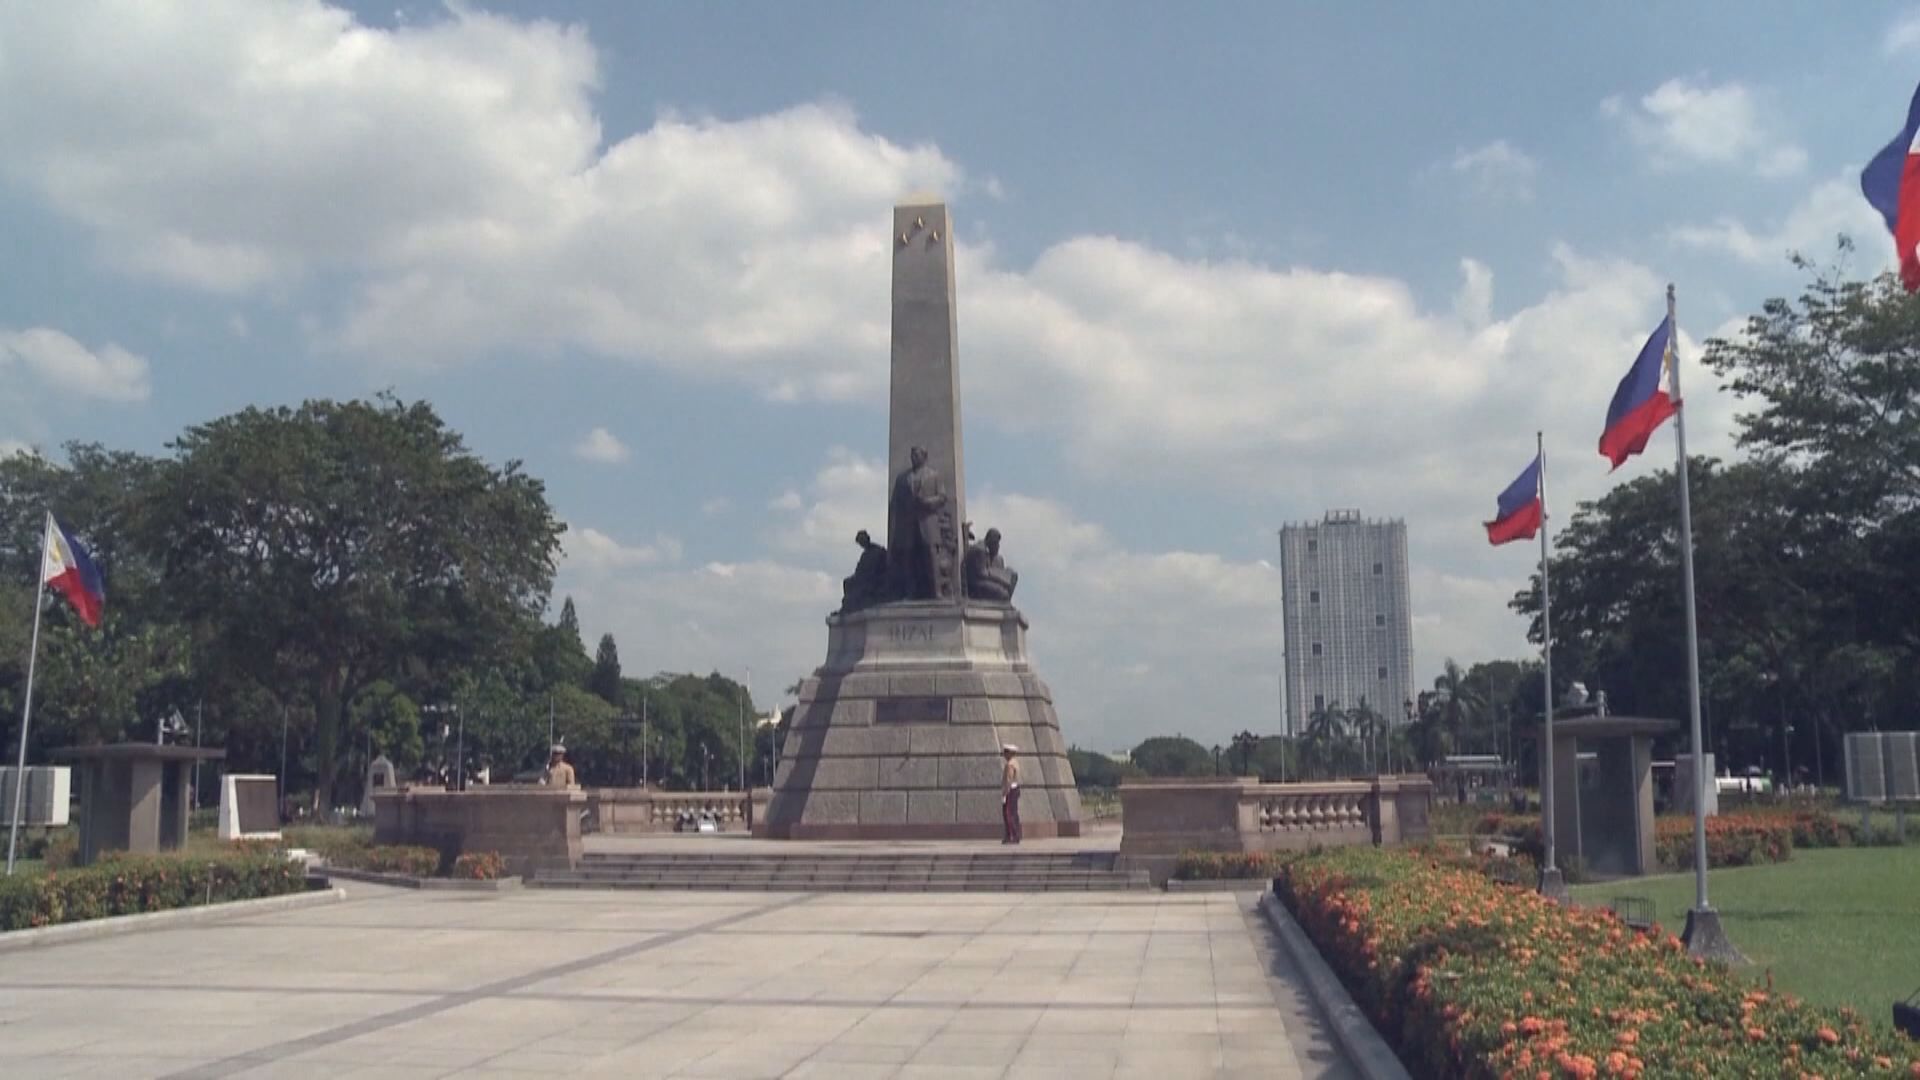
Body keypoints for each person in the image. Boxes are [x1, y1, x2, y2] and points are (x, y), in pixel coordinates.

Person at [1000, 743, 1022, 844]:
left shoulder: (1010, 765)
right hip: (1016, 789)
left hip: (1010, 790)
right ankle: (1015, 835)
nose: (1004, 754)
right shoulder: (1016, 763)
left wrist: (1005, 793)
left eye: (1005, 752)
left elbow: (1008, 780)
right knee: (1014, 813)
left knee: (1008, 814)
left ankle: (1011, 836)